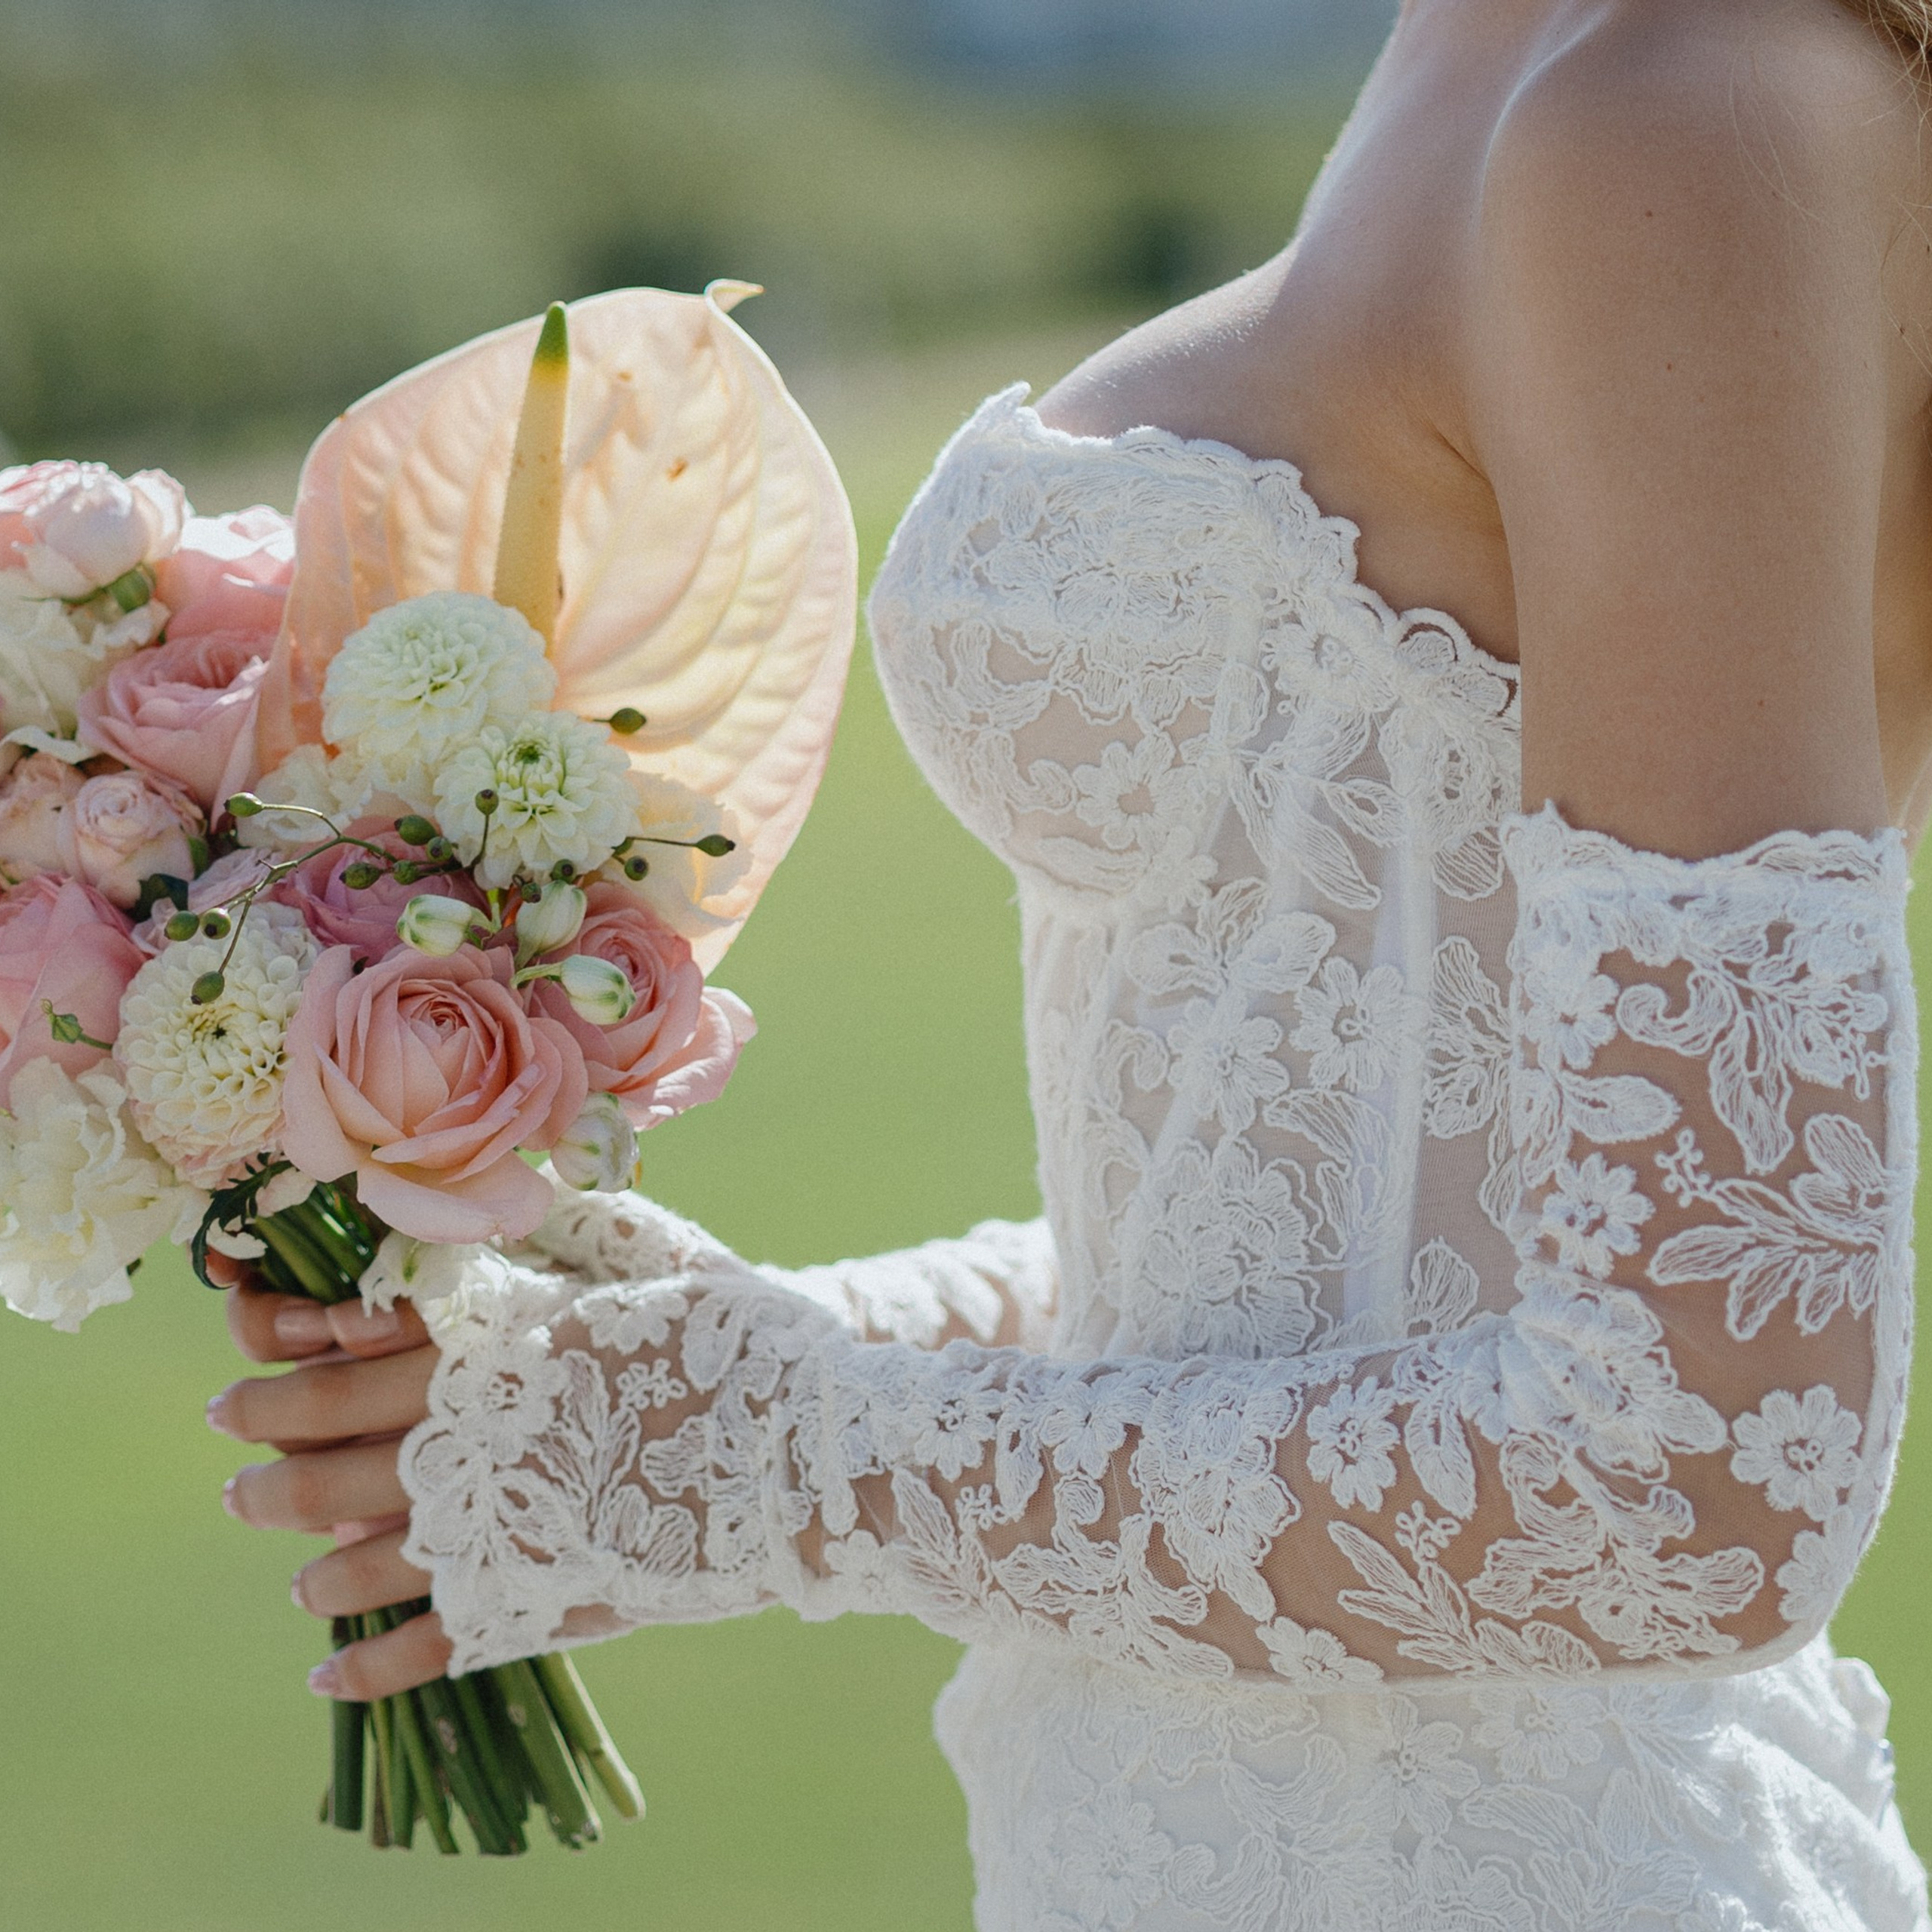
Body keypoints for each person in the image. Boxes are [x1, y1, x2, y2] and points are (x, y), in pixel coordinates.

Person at [207, 1, 1932, 1924]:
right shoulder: (1489, 45)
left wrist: (779, 1454)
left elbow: (1691, 1478)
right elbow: (1350, 1228)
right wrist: (729, 1362)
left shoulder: (1683, 106)